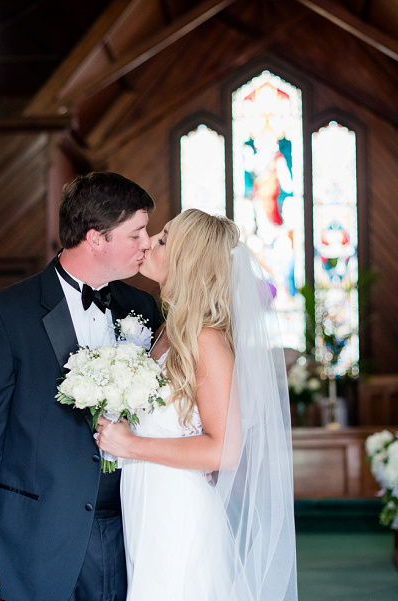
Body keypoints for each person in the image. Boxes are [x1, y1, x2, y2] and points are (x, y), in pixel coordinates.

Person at [0, 172, 163, 601]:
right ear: (96, 238)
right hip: (35, 537)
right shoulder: (5, 315)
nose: (147, 243)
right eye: (136, 232)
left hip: (129, 529)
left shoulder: (141, 308)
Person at [96, 208, 298, 600]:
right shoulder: (168, 330)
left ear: (187, 260)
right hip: (146, 499)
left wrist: (130, 445)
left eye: (164, 239)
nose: (149, 242)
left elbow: (225, 449)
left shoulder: (206, 340)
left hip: (175, 510)